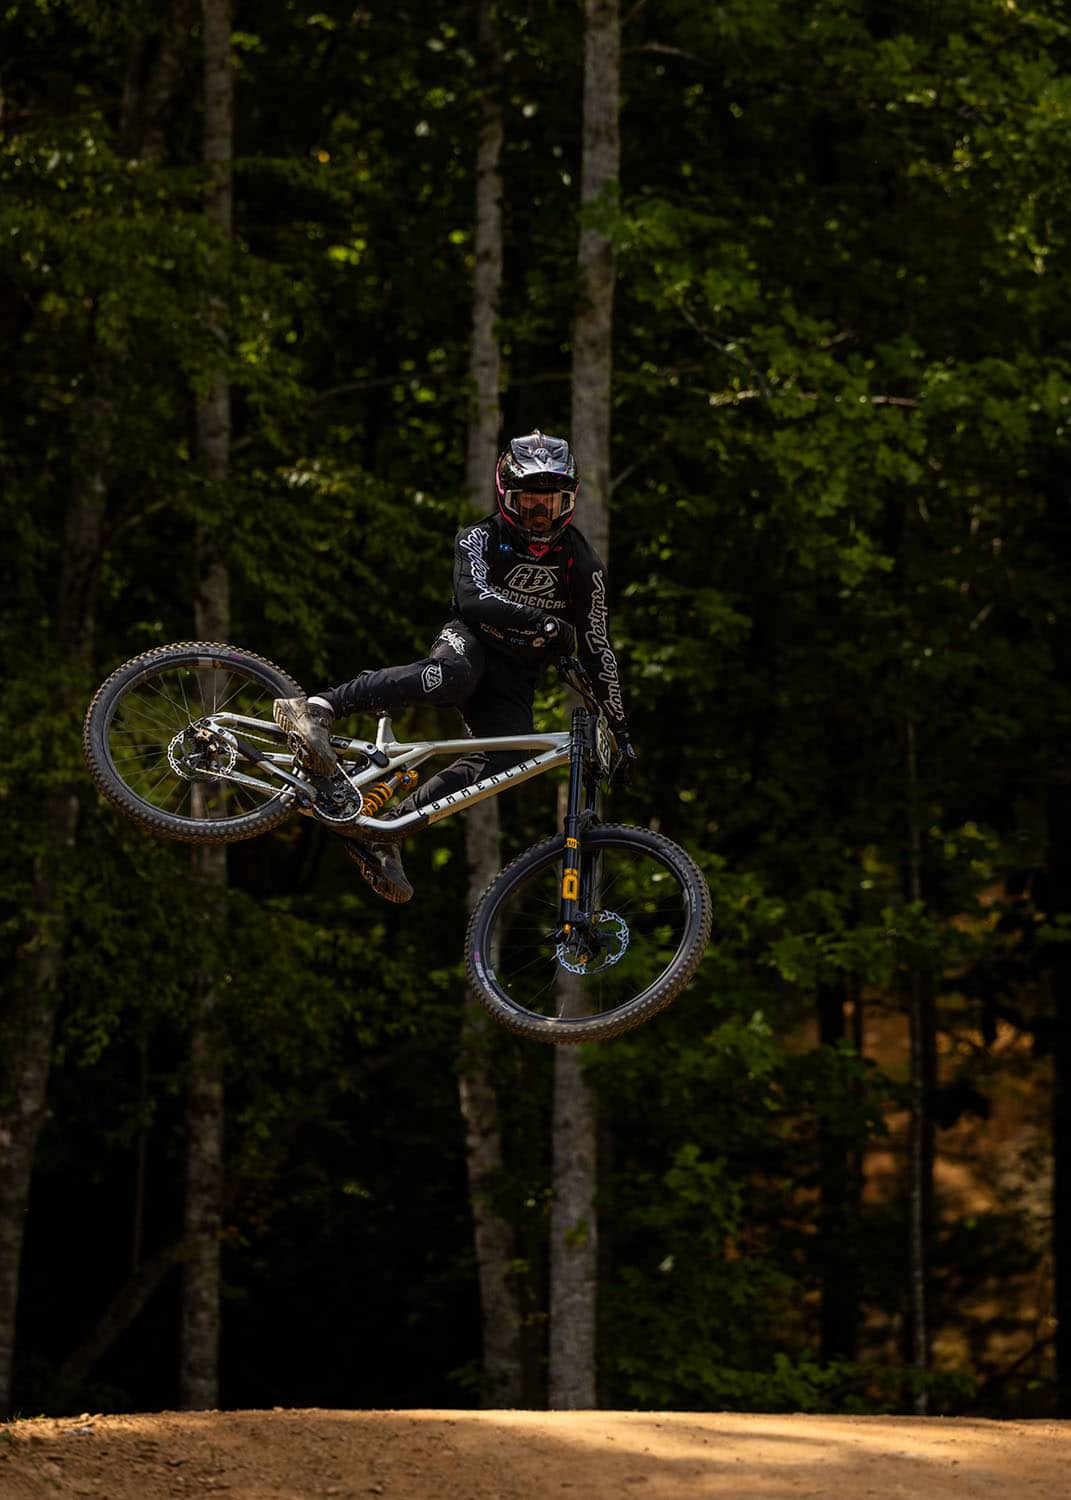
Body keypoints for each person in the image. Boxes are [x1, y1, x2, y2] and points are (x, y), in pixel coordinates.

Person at [274, 430, 634, 903]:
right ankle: (318, 707)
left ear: (570, 501)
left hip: (516, 677)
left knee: (511, 759)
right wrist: (544, 623)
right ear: (506, 497)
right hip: (470, 642)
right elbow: (472, 599)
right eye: (529, 504)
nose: (541, 514)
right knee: (450, 676)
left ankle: (385, 830)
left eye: (552, 502)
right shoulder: (480, 536)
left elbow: (598, 648)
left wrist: (621, 732)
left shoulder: (583, 564)